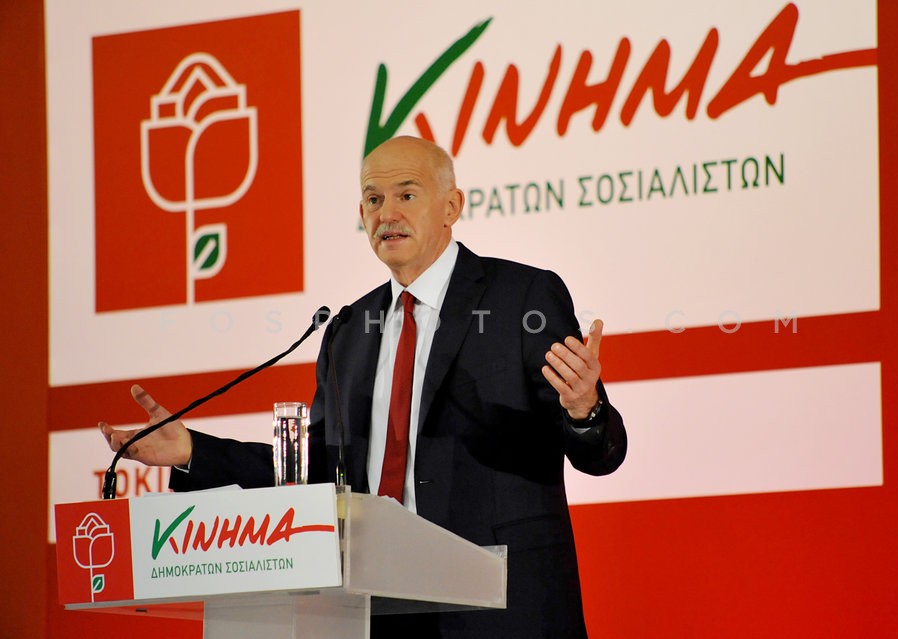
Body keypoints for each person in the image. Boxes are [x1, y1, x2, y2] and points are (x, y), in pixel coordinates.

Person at [102, 136, 628, 638]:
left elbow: (600, 455)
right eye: (373, 199)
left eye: (406, 195)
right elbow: (316, 471)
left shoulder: (522, 296)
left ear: (451, 206)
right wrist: (194, 451)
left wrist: (585, 410)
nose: (387, 214)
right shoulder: (348, 330)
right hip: (380, 608)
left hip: (504, 606)